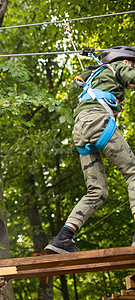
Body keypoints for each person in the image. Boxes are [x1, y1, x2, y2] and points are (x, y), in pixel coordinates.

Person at [44, 46, 135, 254]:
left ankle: (63, 238)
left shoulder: (94, 73)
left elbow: (79, 79)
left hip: (80, 129)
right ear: (127, 61)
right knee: (133, 172)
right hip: (98, 122)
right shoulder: (118, 67)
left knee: (97, 191)